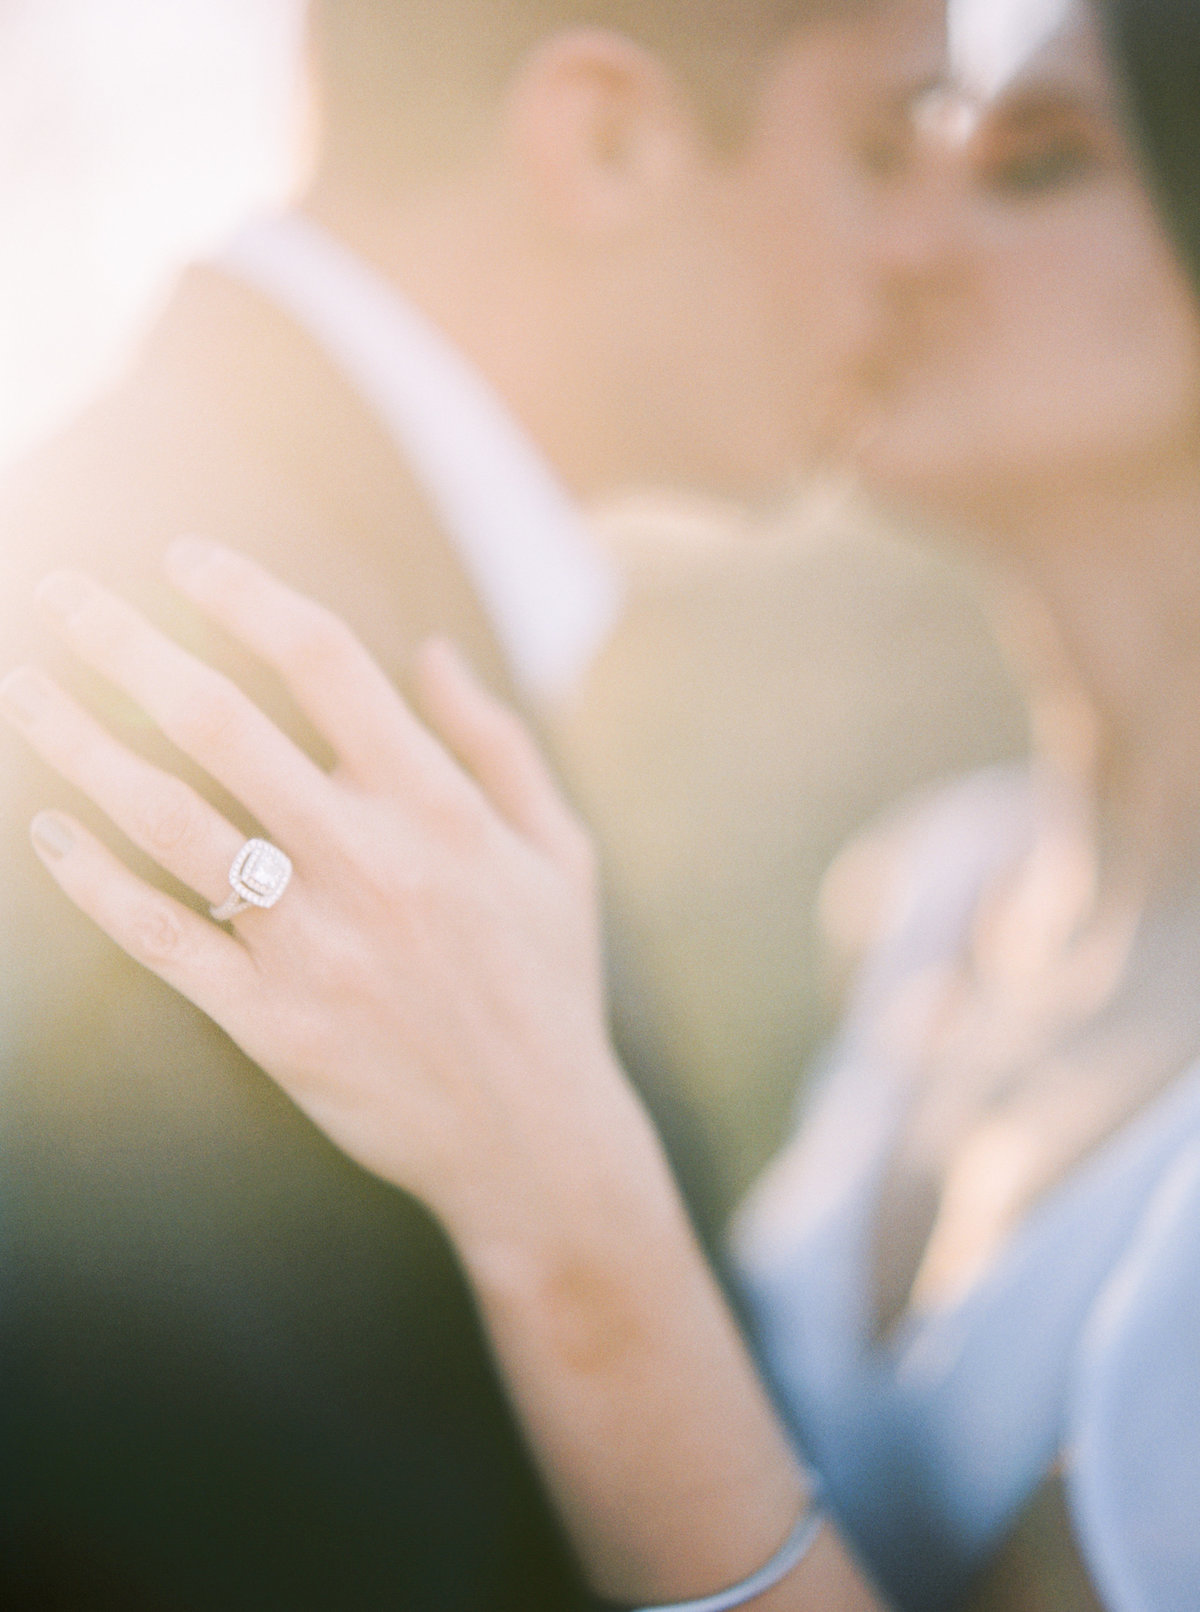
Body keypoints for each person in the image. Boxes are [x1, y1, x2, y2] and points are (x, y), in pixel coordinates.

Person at [7, 0, 1200, 1606]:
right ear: (605, 137)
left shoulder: (288, 620)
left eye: (1034, 164)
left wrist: (570, 1207)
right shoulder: (186, 644)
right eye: (884, 140)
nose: (915, 233)